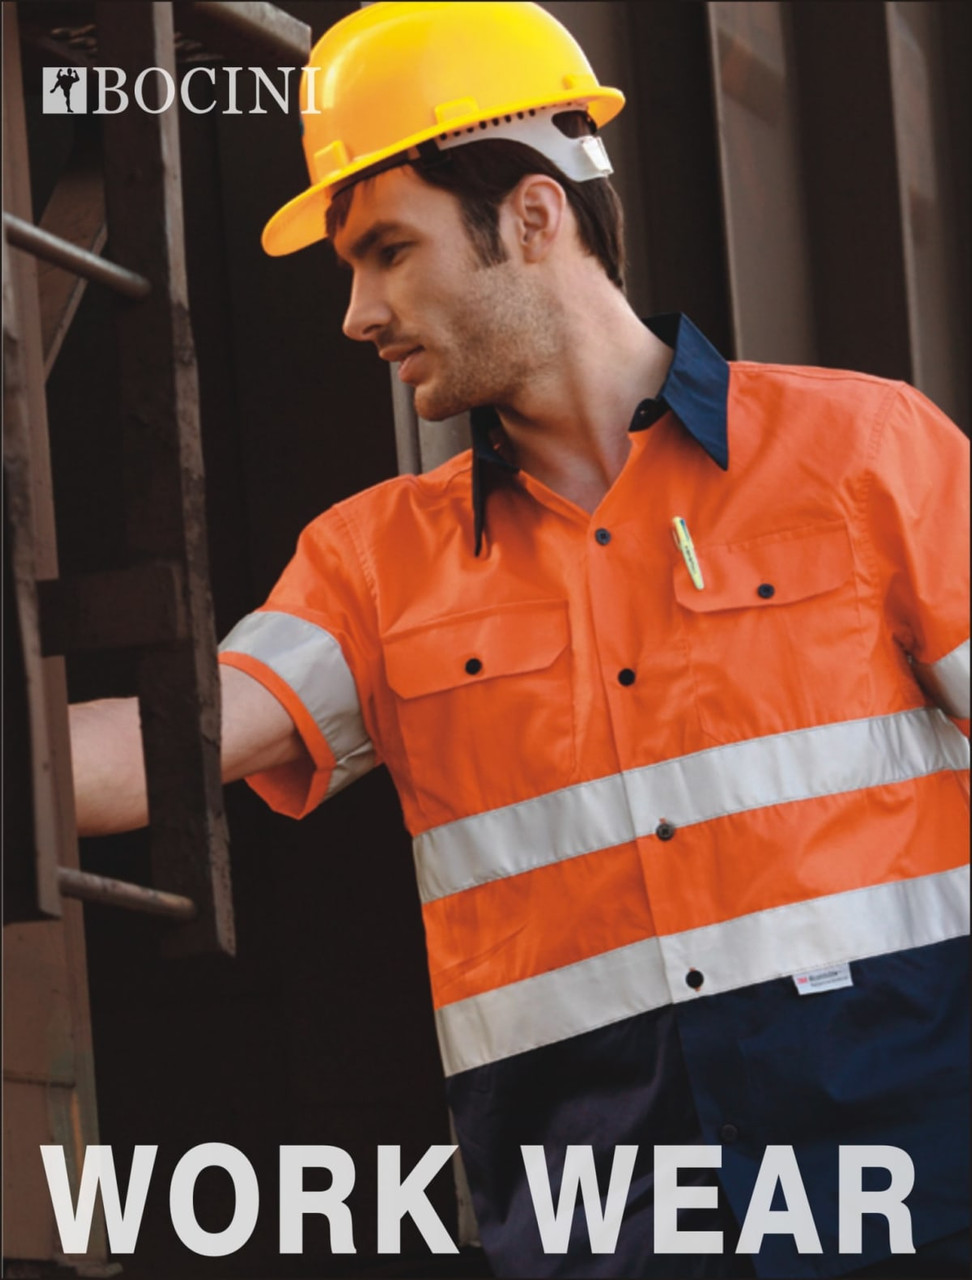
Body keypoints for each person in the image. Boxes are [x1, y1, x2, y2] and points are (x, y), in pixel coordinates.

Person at [71, 3, 969, 1277]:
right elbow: (170, 745)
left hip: (918, 1199)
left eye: (387, 251)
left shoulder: (864, 453)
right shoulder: (373, 560)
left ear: (534, 218)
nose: (356, 312)